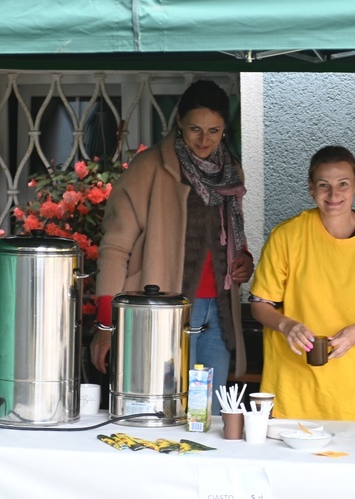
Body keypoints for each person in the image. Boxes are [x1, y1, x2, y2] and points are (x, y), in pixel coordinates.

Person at [90, 79, 254, 414]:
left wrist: (244, 260)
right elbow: (114, 249)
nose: (204, 140)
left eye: (214, 130)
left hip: (218, 313)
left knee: (208, 418)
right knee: (161, 414)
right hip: (160, 313)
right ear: (178, 121)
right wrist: (106, 326)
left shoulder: (231, 170)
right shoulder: (148, 167)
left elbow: (231, 234)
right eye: (195, 128)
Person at [249, 145, 355, 422]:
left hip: (352, 394)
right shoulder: (287, 236)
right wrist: (287, 325)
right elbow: (261, 304)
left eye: (343, 184)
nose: (334, 195)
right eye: (324, 185)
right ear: (311, 188)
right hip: (290, 389)